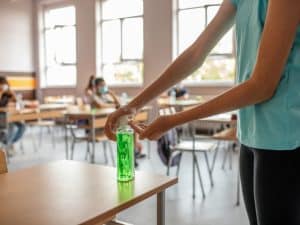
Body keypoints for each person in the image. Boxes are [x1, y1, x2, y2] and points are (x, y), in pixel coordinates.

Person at [105, 1, 300, 224]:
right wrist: (134, 105)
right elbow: (195, 54)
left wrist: (175, 120)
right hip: (251, 134)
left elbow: (262, 85)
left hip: (286, 139)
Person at [0, 77, 26, 153]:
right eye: (1, 84)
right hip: (2, 117)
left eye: (4, 84)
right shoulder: (1, 94)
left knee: (22, 126)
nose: (3, 86)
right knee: (11, 125)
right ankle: (7, 144)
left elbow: (19, 104)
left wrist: (13, 94)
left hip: (9, 115)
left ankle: (8, 143)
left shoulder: (7, 94)